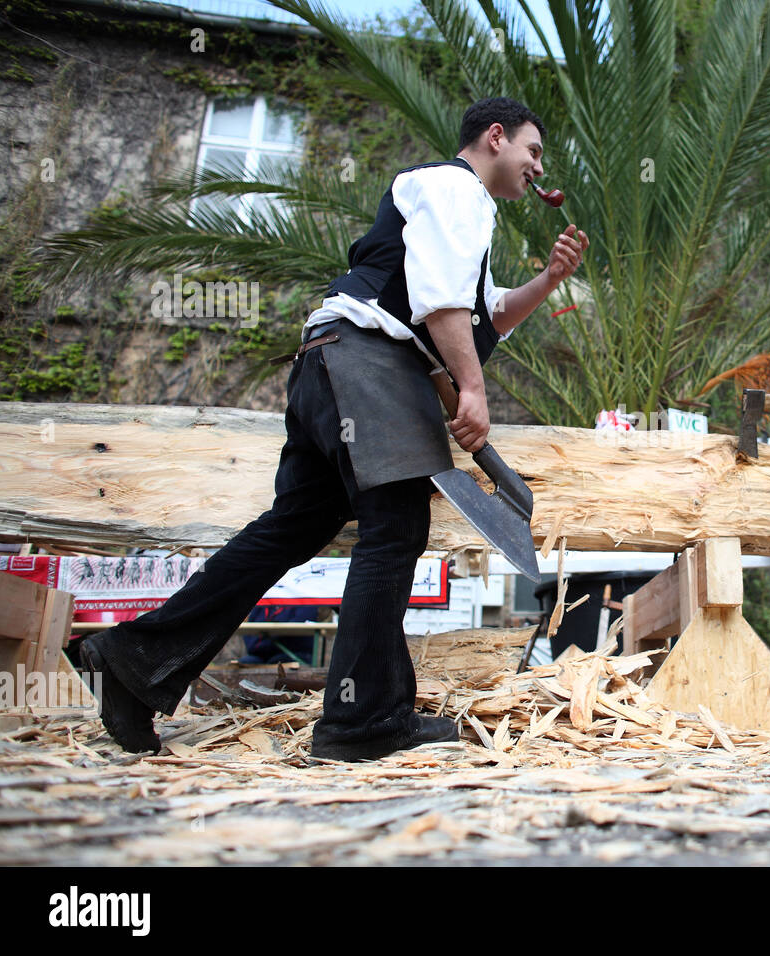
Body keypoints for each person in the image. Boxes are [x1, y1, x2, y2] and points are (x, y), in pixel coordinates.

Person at [79, 97, 589, 761]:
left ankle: (132, 662)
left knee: (291, 529)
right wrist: (471, 388)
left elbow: (483, 312)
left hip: (328, 364)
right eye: (533, 151)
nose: (536, 168)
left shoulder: (452, 208)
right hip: (369, 368)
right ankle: (363, 721)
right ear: (496, 138)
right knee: (395, 527)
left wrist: (549, 280)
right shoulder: (455, 188)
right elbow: (441, 303)